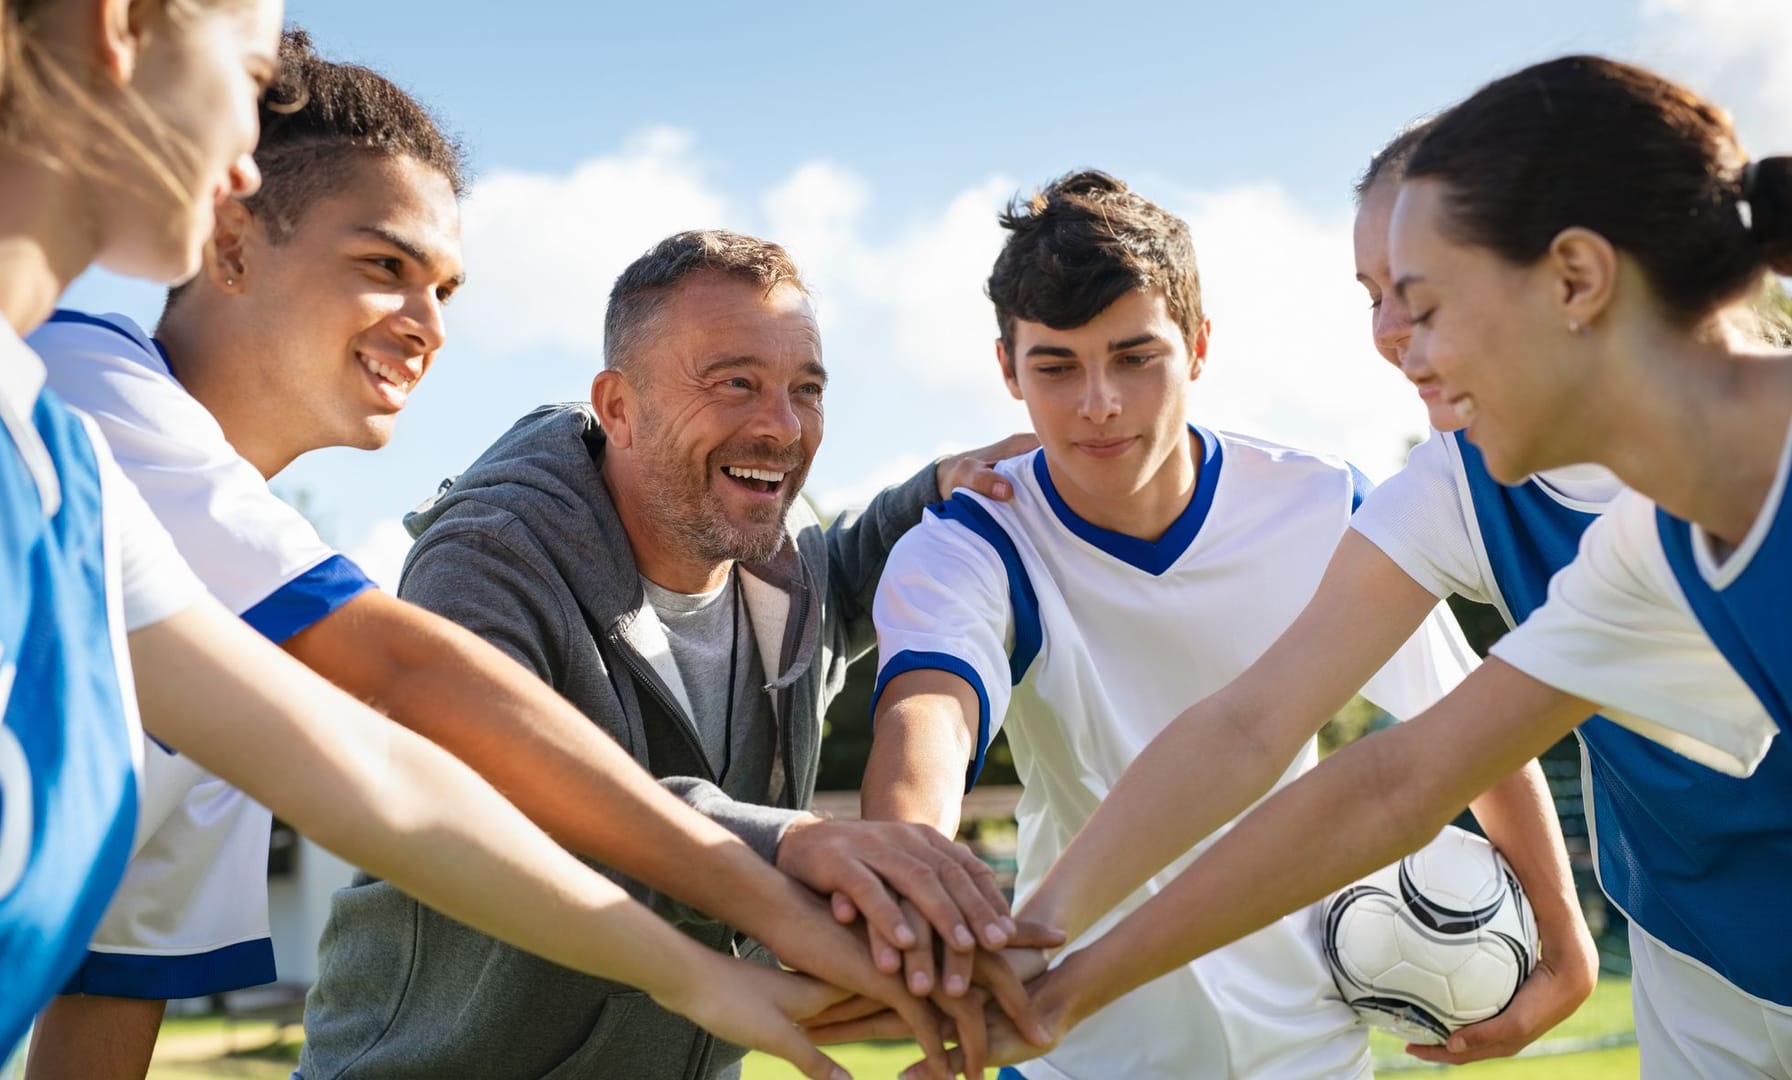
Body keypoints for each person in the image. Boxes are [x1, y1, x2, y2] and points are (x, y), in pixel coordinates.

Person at [0, 4, 921, 1078]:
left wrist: (703, 969)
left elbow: (366, 794)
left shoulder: (125, 531)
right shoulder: (65, 379)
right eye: (385, 265)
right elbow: (402, 682)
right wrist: (766, 877)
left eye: (448, 289)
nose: (432, 324)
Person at [926, 55, 1792, 1080]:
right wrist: (1051, 977)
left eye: (1423, 303)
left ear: (1575, 278)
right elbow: (1392, 776)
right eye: (1377, 298)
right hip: (1713, 966)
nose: (1394, 344)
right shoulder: (1643, 558)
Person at [851, 169, 1580, 1079]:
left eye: (1133, 357)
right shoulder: (970, 540)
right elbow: (927, 716)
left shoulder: (1324, 504)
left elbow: (1469, 725)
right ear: (1007, 370)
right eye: (1055, 367)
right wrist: (917, 892)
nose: (1098, 404)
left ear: (1197, 347)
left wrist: (1562, 937)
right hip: (1078, 1051)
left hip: (1311, 1047)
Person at [297, 227, 1042, 1080]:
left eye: (807, 388)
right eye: (736, 384)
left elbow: (857, 562)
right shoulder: (487, 558)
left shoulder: (786, 564)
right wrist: (787, 842)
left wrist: (946, 486)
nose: (782, 425)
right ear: (617, 406)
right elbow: (511, 799)